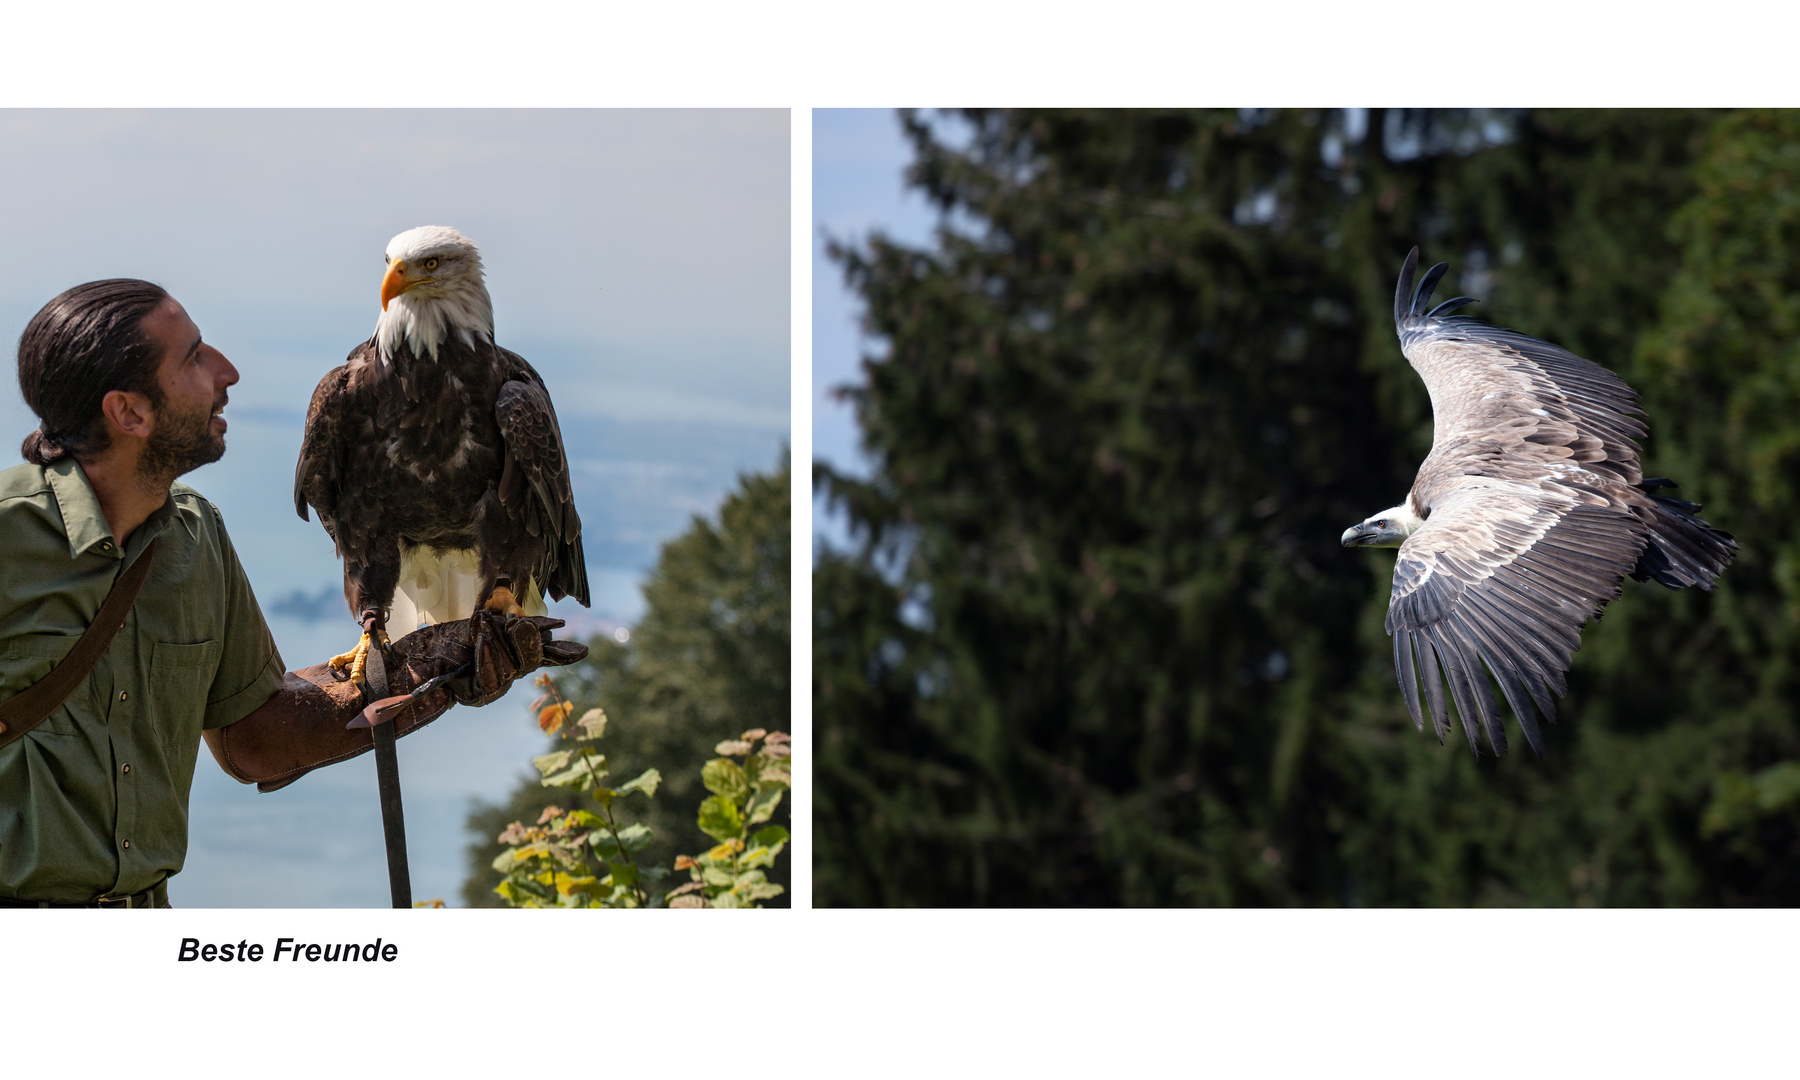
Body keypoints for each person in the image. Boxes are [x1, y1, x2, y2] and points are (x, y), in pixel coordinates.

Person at [0, 279, 583, 908]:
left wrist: (430, 669)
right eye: (194, 358)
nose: (228, 371)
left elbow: (257, 739)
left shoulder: (195, 539)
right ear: (130, 413)